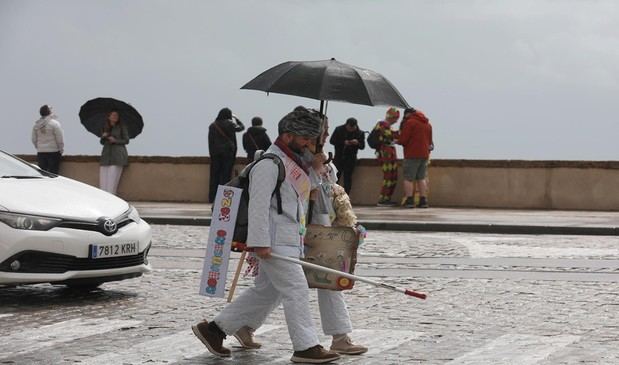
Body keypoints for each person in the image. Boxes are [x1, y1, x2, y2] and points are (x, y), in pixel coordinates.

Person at [192, 106, 341, 364]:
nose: (308, 143)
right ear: (287, 135)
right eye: (305, 137)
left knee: (266, 292)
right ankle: (306, 346)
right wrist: (259, 242)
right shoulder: (269, 164)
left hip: (288, 240)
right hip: (272, 241)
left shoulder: (294, 162)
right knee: (296, 290)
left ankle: (214, 330)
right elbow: (258, 206)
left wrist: (318, 166)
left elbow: (311, 192)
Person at [208, 107, 245, 202]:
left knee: (214, 176)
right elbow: (241, 127)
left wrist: (212, 154)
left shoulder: (213, 126)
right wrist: (237, 119)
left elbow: (210, 142)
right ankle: (223, 197)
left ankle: (212, 197)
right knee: (225, 175)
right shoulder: (230, 124)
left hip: (215, 154)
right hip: (228, 154)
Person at [398, 108, 433, 208]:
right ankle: (423, 200)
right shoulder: (427, 124)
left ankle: (409, 200)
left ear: (408, 114)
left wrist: (398, 140)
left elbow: (403, 140)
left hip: (412, 154)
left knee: (408, 178)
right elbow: (430, 141)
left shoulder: (410, 123)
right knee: (421, 178)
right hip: (425, 154)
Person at [372, 107, 400, 206]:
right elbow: (391, 136)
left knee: (393, 176)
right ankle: (383, 199)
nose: (397, 120)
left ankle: (387, 198)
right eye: (396, 118)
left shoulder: (387, 126)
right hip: (386, 153)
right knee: (388, 176)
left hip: (390, 152)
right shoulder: (382, 124)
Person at [329, 117, 365, 194]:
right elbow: (332, 141)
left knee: (347, 179)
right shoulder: (339, 130)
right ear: (346, 125)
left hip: (351, 159)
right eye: (349, 128)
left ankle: (346, 196)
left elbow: (362, 146)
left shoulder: (360, 133)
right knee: (335, 178)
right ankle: (333, 195)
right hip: (339, 157)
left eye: (353, 128)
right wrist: (343, 142)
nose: (351, 129)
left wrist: (357, 143)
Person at [99, 110, 129, 195]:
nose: (115, 117)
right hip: (106, 155)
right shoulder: (105, 127)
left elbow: (126, 140)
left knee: (112, 183)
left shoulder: (121, 127)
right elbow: (102, 142)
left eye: (117, 115)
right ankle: (103, 199)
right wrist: (103, 137)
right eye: (113, 115)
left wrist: (115, 140)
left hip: (118, 156)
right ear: (109, 117)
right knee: (103, 182)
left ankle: (112, 200)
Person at [31, 104, 64, 174]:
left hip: (41, 153)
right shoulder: (55, 124)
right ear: (49, 112)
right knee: (53, 173)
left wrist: (39, 147)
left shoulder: (36, 125)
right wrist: (61, 149)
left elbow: (33, 139)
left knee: (42, 174)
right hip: (53, 152)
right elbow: (59, 138)